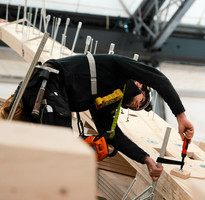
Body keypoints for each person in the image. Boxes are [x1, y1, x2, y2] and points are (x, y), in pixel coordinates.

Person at [20, 53, 194, 181]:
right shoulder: (118, 68)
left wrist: (146, 159)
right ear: (139, 85)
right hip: (49, 83)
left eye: (139, 108)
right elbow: (159, 79)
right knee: (64, 155)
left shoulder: (103, 98)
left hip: (43, 90)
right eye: (142, 101)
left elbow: (112, 135)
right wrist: (180, 116)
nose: (137, 106)